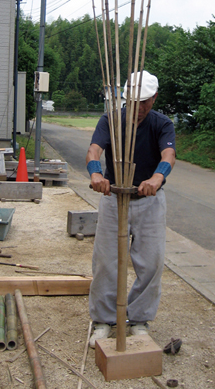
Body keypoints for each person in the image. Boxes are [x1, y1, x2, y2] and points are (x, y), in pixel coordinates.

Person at [86, 71, 176, 348]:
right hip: (114, 199)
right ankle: (103, 320)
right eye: (133, 102)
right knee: (106, 261)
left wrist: (157, 178)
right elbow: (94, 150)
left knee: (151, 263)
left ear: (155, 98)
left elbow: (169, 155)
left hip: (149, 202)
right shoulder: (111, 119)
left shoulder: (162, 124)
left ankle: (138, 319)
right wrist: (96, 174)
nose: (138, 109)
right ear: (125, 98)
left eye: (145, 103)